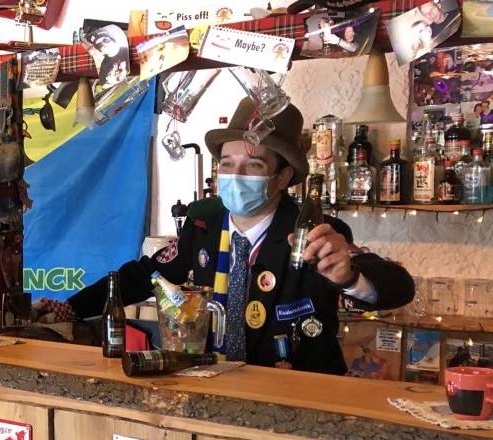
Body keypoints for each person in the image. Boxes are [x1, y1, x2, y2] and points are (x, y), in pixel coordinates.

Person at [50, 100, 414, 374]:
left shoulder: (314, 230)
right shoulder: (203, 221)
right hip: (213, 385)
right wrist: (72, 307)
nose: (235, 175)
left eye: (253, 165)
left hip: (295, 395)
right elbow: (144, 275)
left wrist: (351, 276)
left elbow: (398, 287)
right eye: (227, 163)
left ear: (283, 177)